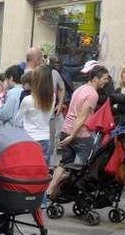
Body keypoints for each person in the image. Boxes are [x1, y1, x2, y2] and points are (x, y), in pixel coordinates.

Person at [47, 65, 110, 197]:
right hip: (80, 134)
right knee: (84, 166)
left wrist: (69, 134)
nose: (106, 81)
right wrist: (72, 136)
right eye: (104, 78)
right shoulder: (93, 94)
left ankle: (50, 190)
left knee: (64, 163)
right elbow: (82, 117)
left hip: (66, 128)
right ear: (95, 79)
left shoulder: (79, 89)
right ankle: (73, 191)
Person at [15, 66, 55, 166]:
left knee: (27, 170)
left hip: (29, 138)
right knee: (42, 171)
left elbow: (17, 121)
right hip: (46, 138)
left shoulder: (28, 100)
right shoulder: (52, 97)